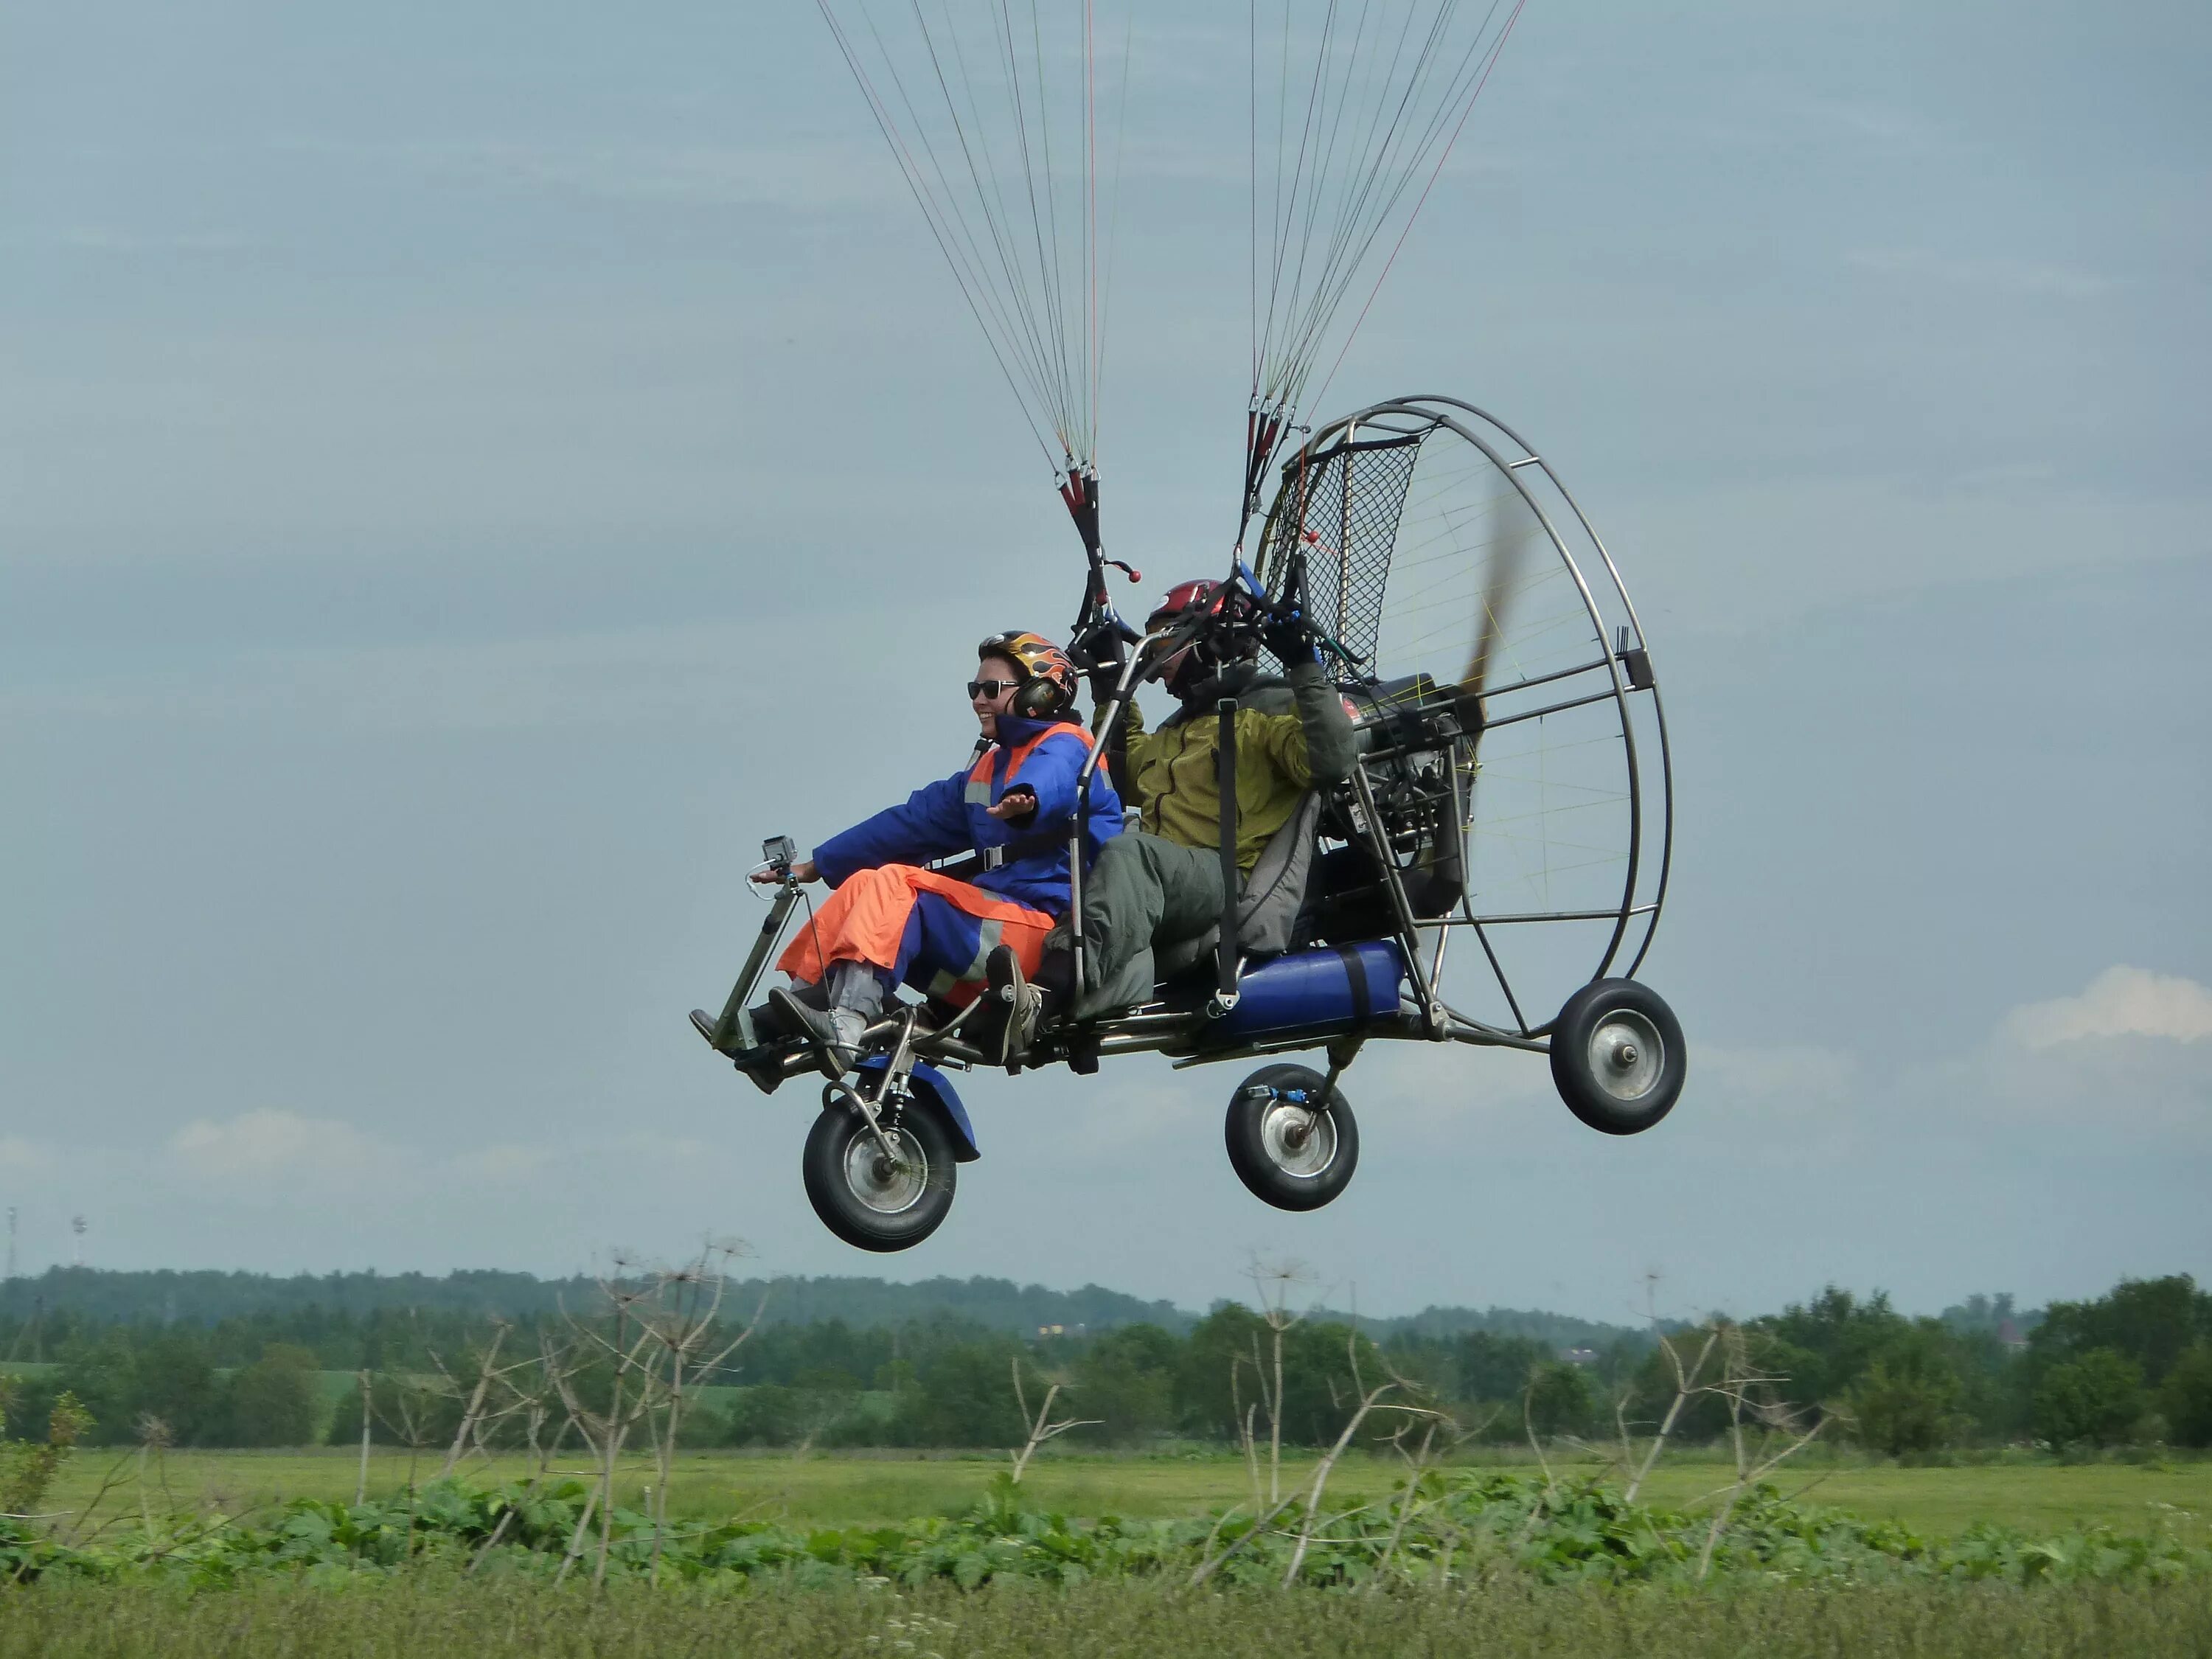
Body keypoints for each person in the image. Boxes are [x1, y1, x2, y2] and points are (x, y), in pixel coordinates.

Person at [975, 577, 1356, 1060]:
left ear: (1213, 641)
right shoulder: (1173, 737)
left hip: (1218, 878)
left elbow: (1333, 760)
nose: (1159, 658)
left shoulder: (1262, 729)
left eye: (1169, 639)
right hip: (1159, 886)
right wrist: (1111, 689)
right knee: (1092, 883)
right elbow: (1116, 775)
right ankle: (1029, 1011)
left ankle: (1047, 994)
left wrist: (1304, 666)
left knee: (1130, 854)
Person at [740, 631, 1121, 1079]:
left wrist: (1027, 798)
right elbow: (908, 823)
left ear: (1040, 693)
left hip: (1041, 940)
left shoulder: (1069, 743)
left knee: (896, 882)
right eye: (973, 690)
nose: (978, 699)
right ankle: (799, 1008)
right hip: (993, 930)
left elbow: (1053, 777)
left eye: (990, 690)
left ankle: (847, 1021)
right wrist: (817, 864)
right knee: (865, 879)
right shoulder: (988, 768)